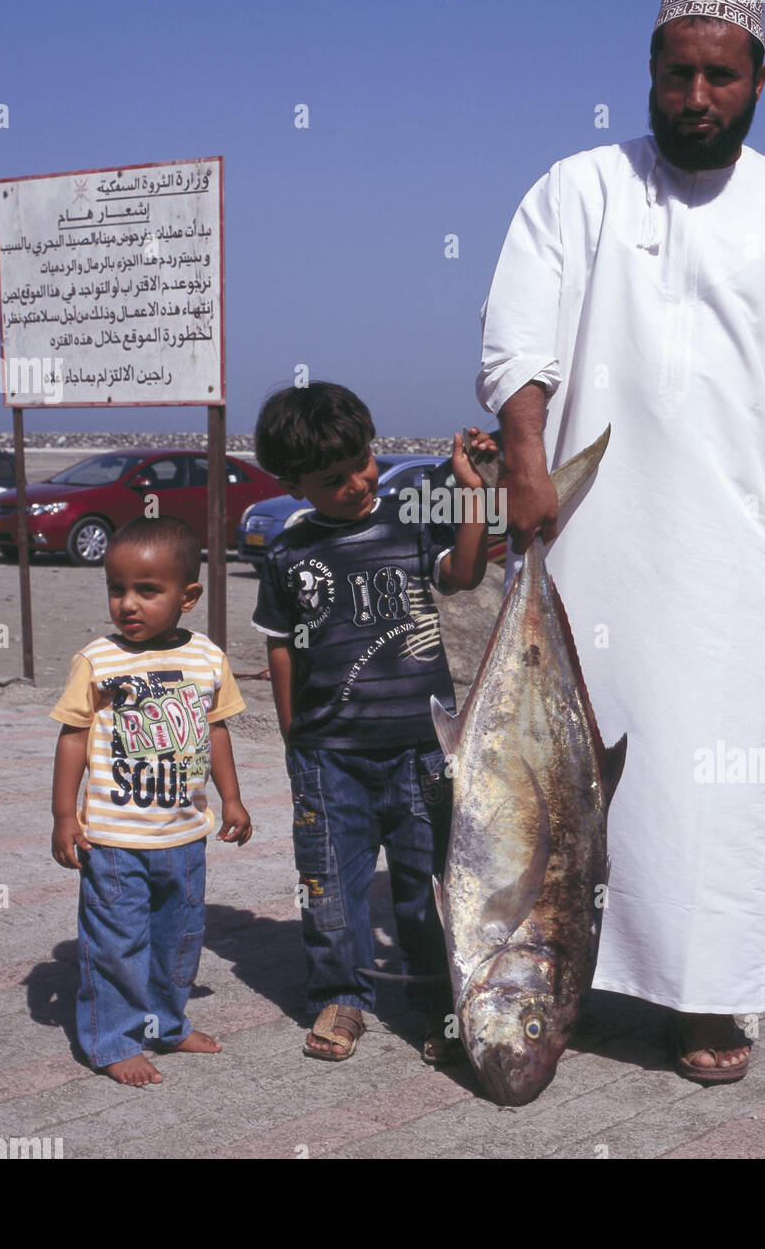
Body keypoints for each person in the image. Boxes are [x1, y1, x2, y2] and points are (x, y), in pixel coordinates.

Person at [477, 0, 765, 1082]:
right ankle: (552, 980)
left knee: (723, 784)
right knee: (559, 778)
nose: (697, 95)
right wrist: (525, 454)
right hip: (586, 545)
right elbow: (518, 337)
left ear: (760, 79)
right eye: (679, 73)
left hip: (738, 557)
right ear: (650, 74)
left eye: (721, 74)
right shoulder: (576, 191)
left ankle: (708, 998)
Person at [251, 381, 496, 1063]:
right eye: (333, 480)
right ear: (294, 486)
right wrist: (293, 730)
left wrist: (472, 491)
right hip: (330, 759)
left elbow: (468, 573)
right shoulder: (286, 551)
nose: (358, 483)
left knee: (428, 887)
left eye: (363, 461)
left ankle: (438, 1004)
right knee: (330, 885)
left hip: (423, 750)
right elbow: (278, 641)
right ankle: (340, 995)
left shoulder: (410, 520)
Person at [49, 516, 253, 1086]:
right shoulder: (98, 661)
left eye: (147, 590)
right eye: (117, 589)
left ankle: (166, 1022)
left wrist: (231, 798)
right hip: (115, 841)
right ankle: (111, 1040)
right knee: (116, 944)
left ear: (187, 596)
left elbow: (216, 731)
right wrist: (65, 814)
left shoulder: (208, 659)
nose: (128, 604)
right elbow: (71, 736)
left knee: (179, 939)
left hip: (185, 836)